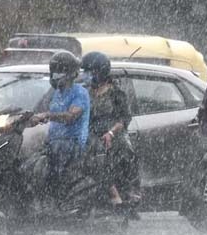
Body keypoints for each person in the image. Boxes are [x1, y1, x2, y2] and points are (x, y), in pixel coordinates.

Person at [80, 51, 139, 206]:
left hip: (114, 132)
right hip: (92, 133)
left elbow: (125, 118)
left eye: (89, 72)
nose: (86, 75)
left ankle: (131, 190)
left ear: (99, 72)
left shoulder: (116, 92)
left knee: (127, 151)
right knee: (93, 158)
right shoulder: (86, 92)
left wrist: (111, 133)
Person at [31, 51, 90, 200]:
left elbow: (71, 116)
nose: (55, 76)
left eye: (59, 73)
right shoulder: (56, 92)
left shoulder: (80, 93)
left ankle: (56, 198)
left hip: (72, 142)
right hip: (54, 141)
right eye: (54, 73)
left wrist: (48, 115)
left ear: (69, 74)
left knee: (54, 168)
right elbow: (41, 110)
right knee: (30, 164)